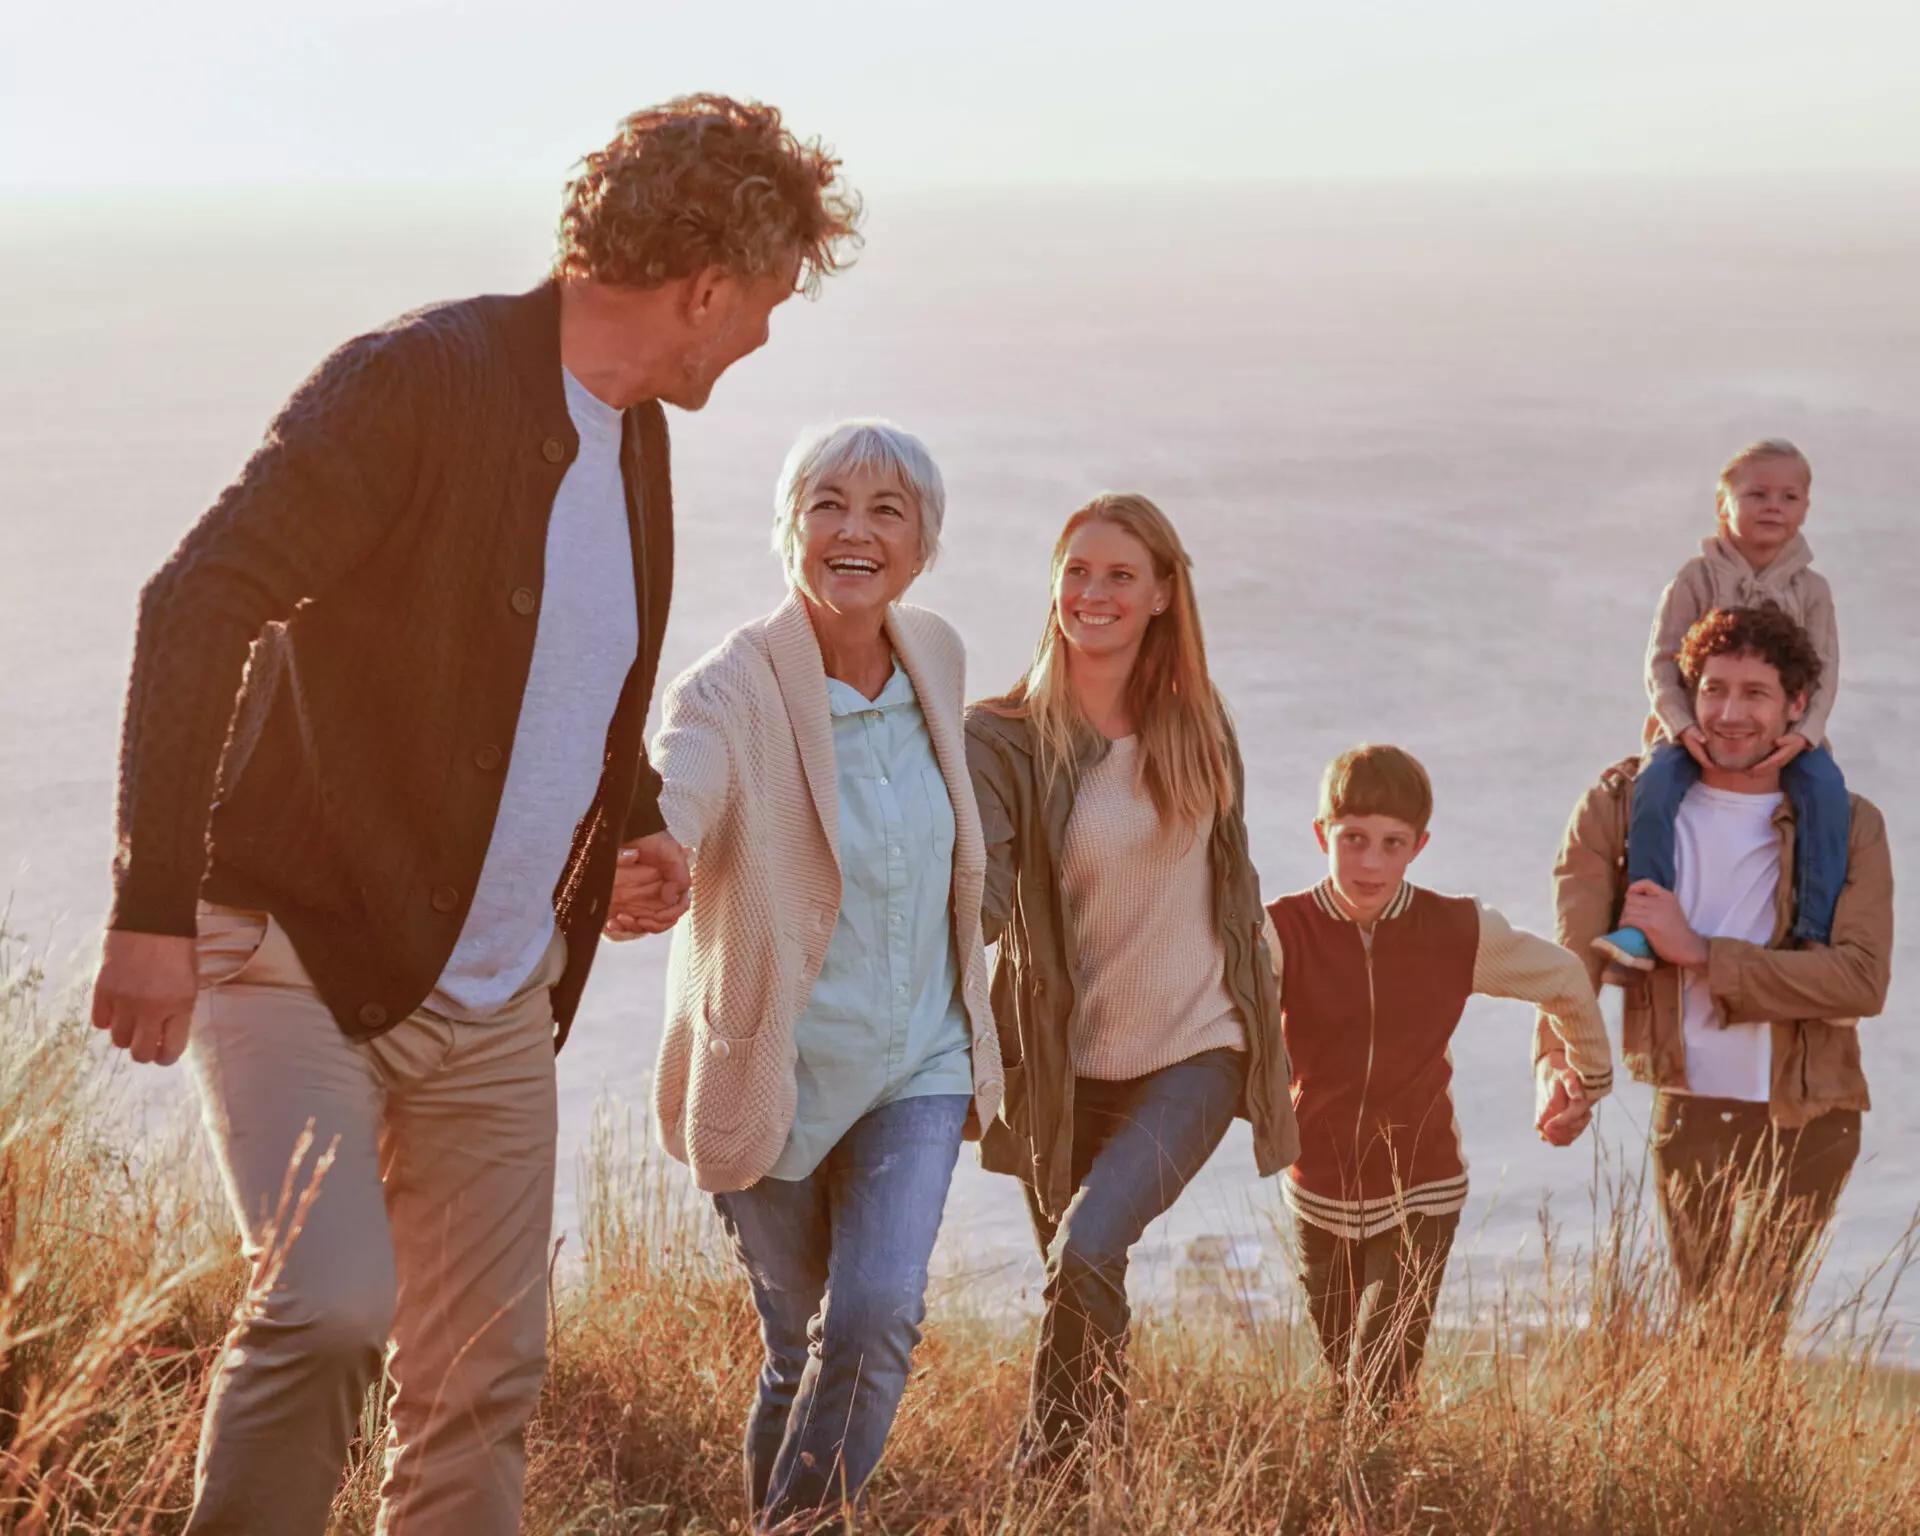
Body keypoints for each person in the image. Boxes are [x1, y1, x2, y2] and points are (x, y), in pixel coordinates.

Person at [86, 96, 859, 1535]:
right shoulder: (414, 385)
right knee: (326, 1309)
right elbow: (198, 601)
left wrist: (631, 821)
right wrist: (149, 912)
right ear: (705, 286)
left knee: (483, 1384)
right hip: (298, 952)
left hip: (495, 997)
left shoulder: (632, 438)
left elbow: (567, 676)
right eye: (761, 302)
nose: (759, 337)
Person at [611, 421, 1003, 1530]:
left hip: (918, 1061)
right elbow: (676, 786)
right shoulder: (726, 691)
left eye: (888, 510)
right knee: (797, 1349)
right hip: (773, 1068)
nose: (856, 530)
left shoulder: (938, 656)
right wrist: (654, 856)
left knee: (873, 1317)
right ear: (789, 528)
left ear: (922, 545)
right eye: (829, 503)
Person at [963, 492, 1300, 1475]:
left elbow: (1235, 891)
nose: (1093, 592)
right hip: (1061, 1071)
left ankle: (1049, 1476)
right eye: (1077, 570)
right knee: (1078, 1277)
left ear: (1161, 593)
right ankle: (1105, 1478)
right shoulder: (1004, 738)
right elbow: (980, 891)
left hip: (1195, 1049)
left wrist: (1282, 1030)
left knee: (1084, 1250)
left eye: (1119, 574)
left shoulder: (1199, 726)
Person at [1537, 606, 1892, 1328]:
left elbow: (1861, 979)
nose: (1730, 714)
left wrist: (1698, 952)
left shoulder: (1851, 822)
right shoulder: (1626, 807)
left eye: (1755, 695)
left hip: (1810, 1109)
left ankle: (1750, 1440)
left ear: (1797, 705)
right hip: (1690, 1107)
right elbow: (1569, 958)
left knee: (1752, 1323)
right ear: (1687, 695)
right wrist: (1554, 1062)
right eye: (1713, 689)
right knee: (1705, 1320)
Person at [1268, 744, 1613, 1415]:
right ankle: (1354, 1499)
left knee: (1381, 1383)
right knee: (1343, 1379)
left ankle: (1374, 1506)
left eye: (1392, 844)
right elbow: (1226, 1018)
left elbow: (1566, 979)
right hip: (1316, 1188)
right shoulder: (1280, 932)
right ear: (1321, 835)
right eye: (1353, 840)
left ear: (1418, 846)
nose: (1371, 862)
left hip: (1422, 1188)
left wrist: (1587, 1082)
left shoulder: (1455, 930)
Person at [1595, 439, 1848, 970]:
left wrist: (1804, 734)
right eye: (1756, 494)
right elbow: (1661, 663)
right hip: (1695, 729)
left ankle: (1814, 934)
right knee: (1656, 785)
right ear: (1722, 505)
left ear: (1806, 507)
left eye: (1789, 496)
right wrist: (1681, 726)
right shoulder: (1695, 578)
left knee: (1825, 791)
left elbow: (1825, 672)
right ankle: (1642, 923)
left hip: (1784, 735)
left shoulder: (1812, 589)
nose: (1773, 506)